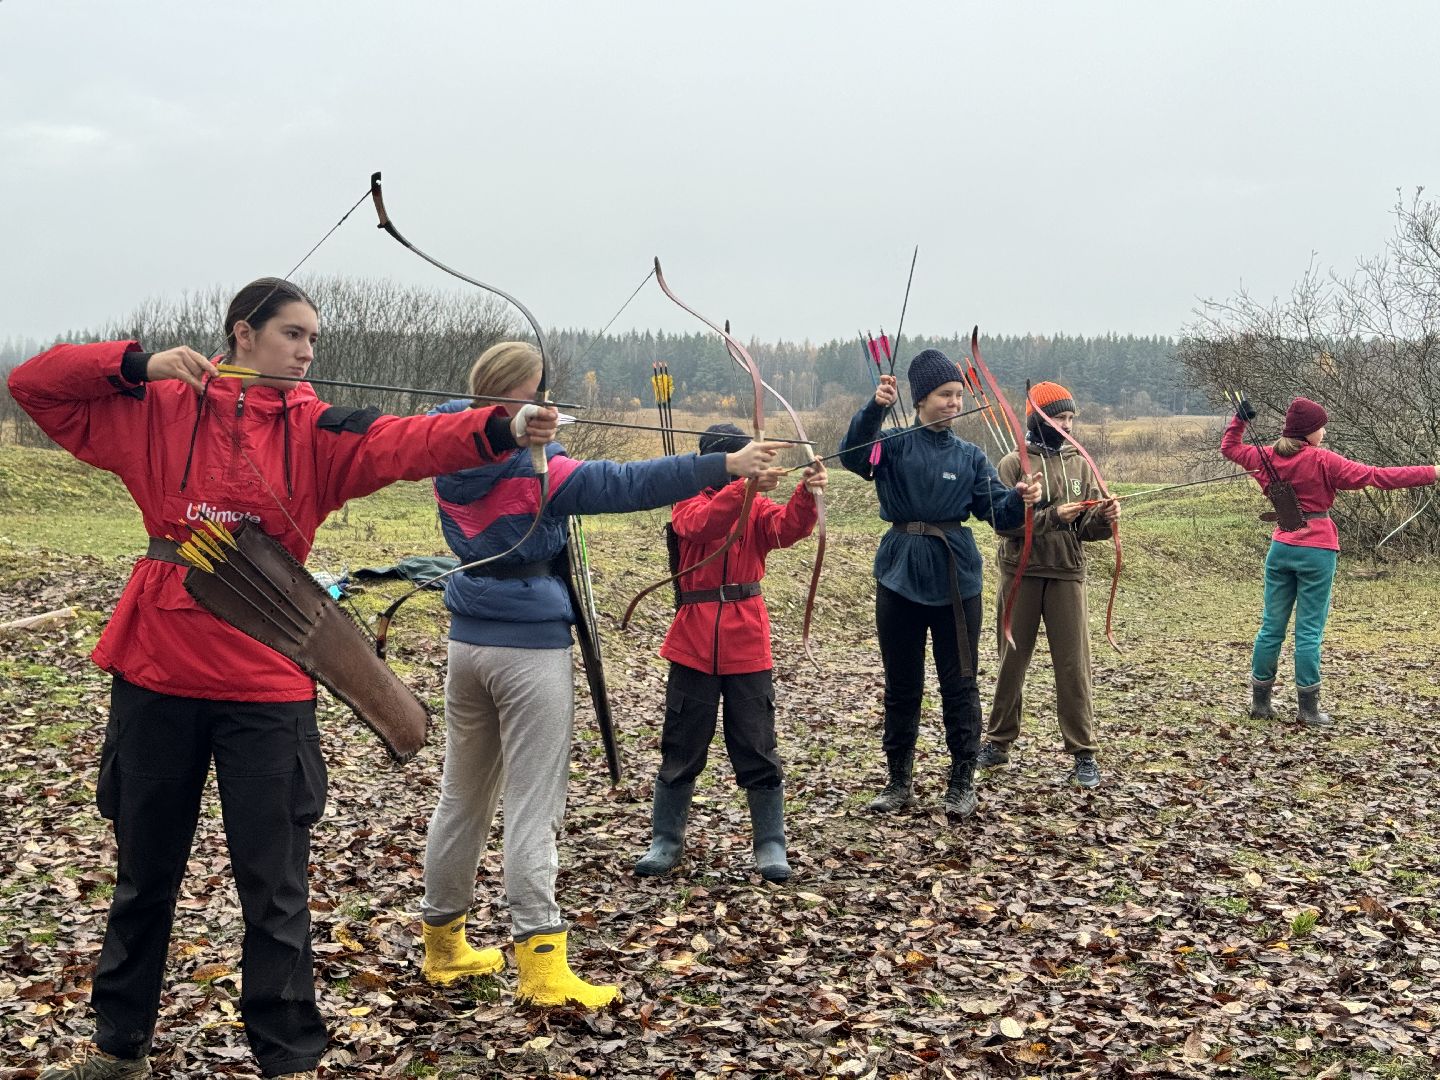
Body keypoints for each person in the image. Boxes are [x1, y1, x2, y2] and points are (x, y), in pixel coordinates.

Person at [7, 278, 559, 1080]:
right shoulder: (157, 408)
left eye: (313, 339)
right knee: (144, 874)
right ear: (242, 334)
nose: (306, 351)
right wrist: (139, 364)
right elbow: (35, 386)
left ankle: (290, 1058)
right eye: (293, 334)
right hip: (158, 664)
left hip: (267, 674)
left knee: (275, 887)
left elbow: (407, 440)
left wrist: (502, 426)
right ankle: (117, 1049)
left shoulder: (318, 427)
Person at [419, 343, 784, 1009]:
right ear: (512, 404)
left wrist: (517, 425)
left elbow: (459, 427)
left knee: (461, 795)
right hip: (527, 645)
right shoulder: (539, 469)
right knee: (534, 804)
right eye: (538, 396)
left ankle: (443, 946)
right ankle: (541, 964)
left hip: (466, 639)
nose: (551, 408)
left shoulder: (447, 453)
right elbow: (625, 483)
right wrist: (726, 464)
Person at [838, 351, 1041, 819]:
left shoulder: (970, 456)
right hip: (898, 571)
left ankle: (961, 782)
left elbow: (999, 514)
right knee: (902, 684)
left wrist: (1021, 499)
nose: (954, 403)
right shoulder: (889, 445)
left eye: (958, 396)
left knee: (960, 683)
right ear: (922, 400)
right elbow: (852, 457)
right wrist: (874, 408)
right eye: (945, 395)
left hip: (956, 578)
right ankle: (898, 782)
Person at [632, 423, 826, 883]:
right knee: (682, 744)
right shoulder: (689, 499)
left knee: (757, 746)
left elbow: (785, 529)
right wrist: (742, 488)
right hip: (694, 642)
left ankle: (770, 844)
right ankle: (666, 839)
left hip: (748, 641)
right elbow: (702, 525)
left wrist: (805, 494)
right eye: (740, 459)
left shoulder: (754, 502)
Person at [1223, 395, 1438, 727]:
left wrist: (1240, 419)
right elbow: (1379, 476)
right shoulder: (1323, 461)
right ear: (1309, 432)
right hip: (1317, 550)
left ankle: (1260, 704)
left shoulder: (1263, 457)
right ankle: (1308, 711)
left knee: (1271, 627)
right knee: (1308, 631)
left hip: (1281, 548)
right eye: (1321, 428)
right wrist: (1433, 472)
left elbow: (1230, 448)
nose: (1323, 433)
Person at [977, 381, 1120, 788]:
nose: (1067, 425)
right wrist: (1053, 517)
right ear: (1039, 419)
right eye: (1059, 418)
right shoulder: (1011, 464)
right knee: (1011, 661)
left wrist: (1104, 519)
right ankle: (999, 742)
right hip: (1020, 573)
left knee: (1074, 666)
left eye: (1071, 418)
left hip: (1066, 573)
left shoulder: (1080, 463)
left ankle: (1083, 752)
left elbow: (1086, 530)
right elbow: (1006, 526)